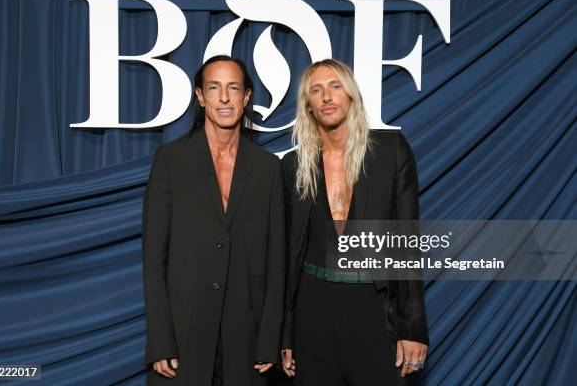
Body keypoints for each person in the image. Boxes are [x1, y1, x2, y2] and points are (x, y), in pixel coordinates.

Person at [280, 59, 429, 385]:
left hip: (373, 306)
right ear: (308, 105)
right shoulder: (293, 166)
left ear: (351, 95)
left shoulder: (390, 151)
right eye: (316, 90)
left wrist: (413, 327)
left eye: (335, 86)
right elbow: (287, 257)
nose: (327, 97)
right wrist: (286, 334)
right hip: (313, 307)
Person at [142, 55, 285, 385]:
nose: (224, 98)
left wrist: (269, 339)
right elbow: (153, 257)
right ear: (200, 96)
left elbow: (278, 261)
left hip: (247, 343)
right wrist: (160, 341)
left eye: (233, 88)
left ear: (246, 97)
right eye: (214, 88)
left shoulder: (268, 169)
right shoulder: (171, 161)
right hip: (182, 340)